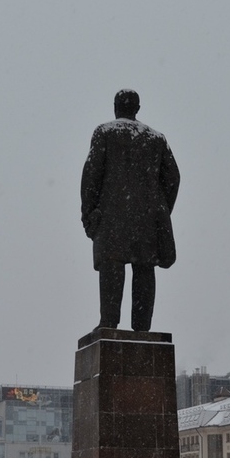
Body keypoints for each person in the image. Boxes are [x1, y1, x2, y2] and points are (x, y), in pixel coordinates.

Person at [81, 89, 180, 332]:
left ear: (116, 107)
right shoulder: (156, 139)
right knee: (144, 269)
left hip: (112, 219)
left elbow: (91, 176)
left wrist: (89, 212)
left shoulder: (105, 133)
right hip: (146, 221)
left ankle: (109, 323)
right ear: (137, 109)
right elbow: (173, 178)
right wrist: (160, 208)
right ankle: (142, 329)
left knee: (112, 268)